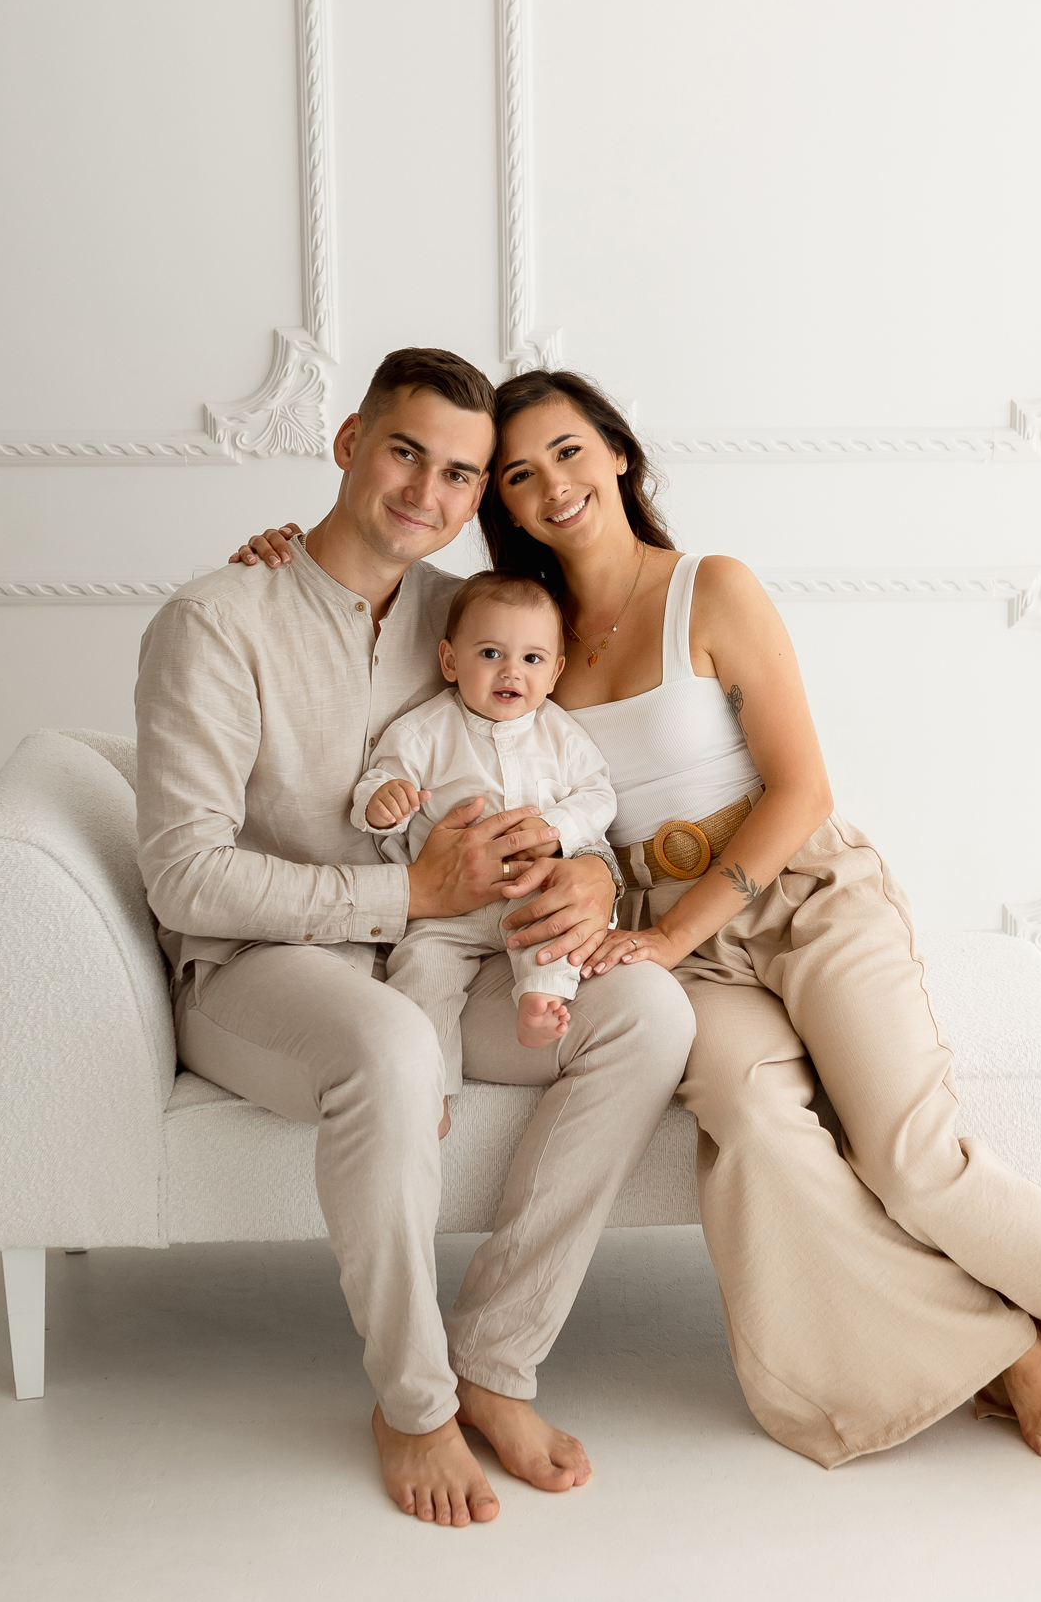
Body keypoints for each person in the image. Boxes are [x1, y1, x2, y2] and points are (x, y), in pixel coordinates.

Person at [235, 367, 1041, 1496]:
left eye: (569, 452)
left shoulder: (710, 589)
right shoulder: (508, 626)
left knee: (914, 1162)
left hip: (797, 892)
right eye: (519, 475)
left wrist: (673, 934)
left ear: (618, 453)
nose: (551, 486)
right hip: (663, 933)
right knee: (754, 1126)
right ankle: (1006, 1351)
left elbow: (801, 790)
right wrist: (280, 558)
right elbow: (371, 599)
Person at [139, 347, 693, 1529]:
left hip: (448, 959)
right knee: (393, 1044)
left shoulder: (466, 615)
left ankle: (496, 1360)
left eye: (459, 474)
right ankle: (413, 1402)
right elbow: (183, 874)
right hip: (261, 972)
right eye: (404, 453)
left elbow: (557, 777)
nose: (426, 493)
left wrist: (587, 873)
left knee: (649, 1011)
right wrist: (408, 898)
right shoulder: (218, 619)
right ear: (350, 442)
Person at [356, 569, 616, 1087]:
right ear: (450, 661)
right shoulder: (424, 732)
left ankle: (540, 999)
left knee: (560, 930)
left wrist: (554, 828)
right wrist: (382, 802)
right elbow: (381, 780)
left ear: (555, 672)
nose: (511, 672)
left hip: (533, 893)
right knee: (421, 969)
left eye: (532, 659)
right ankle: (429, 1091)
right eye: (491, 653)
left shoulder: (561, 734)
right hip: (449, 908)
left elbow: (599, 794)